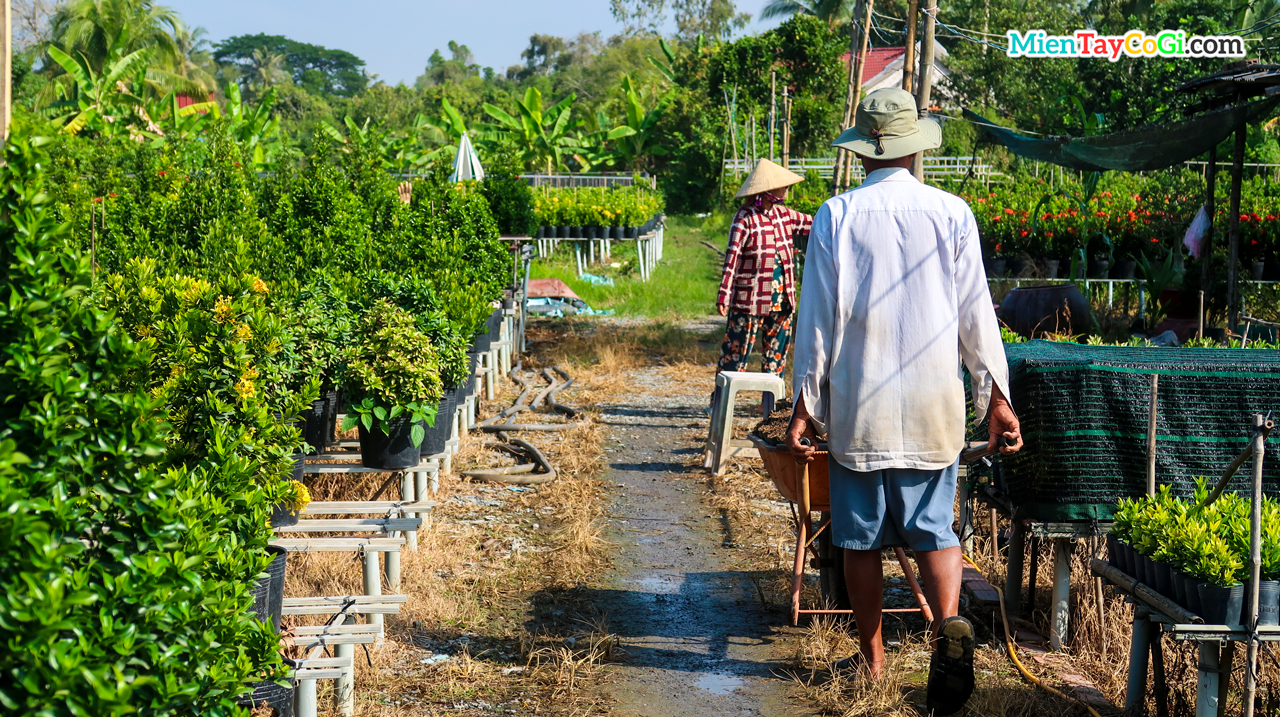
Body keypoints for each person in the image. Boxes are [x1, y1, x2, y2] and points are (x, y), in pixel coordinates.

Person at [784, 88, 1023, 716]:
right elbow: (978, 313)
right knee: (934, 530)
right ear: (915, 151)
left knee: (858, 541)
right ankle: (948, 636)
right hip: (932, 404)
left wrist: (804, 403)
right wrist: (997, 396)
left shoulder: (837, 215)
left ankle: (874, 661)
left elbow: (816, 321)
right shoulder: (951, 213)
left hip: (860, 405)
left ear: (863, 152)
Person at [714, 159, 814, 410]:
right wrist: (724, 294)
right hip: (748, 302)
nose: (786, 190)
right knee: (735, 357)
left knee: (776, 360)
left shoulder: (785, 216)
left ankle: (771, 410)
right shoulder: (745, 218)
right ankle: (721, 406)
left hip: (781, 303)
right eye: (782, 186)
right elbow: (732, 257)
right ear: (767, 190)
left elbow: (817, 223)